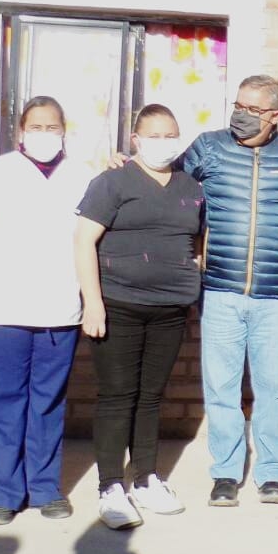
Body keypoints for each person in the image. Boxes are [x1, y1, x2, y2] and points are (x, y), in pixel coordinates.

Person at [74, 104, 205, 530]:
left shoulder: (190, 187)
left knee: (151, 396)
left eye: (171, 135)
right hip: (118, 305)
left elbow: (196, 241)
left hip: (170, 309)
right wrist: (93, 303)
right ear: (135, 140)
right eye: (154, 135)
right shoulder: (112, 181)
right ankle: (111, 487)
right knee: (118, 396)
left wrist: (191, 277)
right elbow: (83, 242)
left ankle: (146, 478)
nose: (163, 143)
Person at [186, 75, 278, 507]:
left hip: (276, 294)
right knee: (221, 386)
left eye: (253, 110)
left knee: (273, 388)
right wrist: (124, 167)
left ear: (275, 115)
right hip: (220, 290)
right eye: (238, 106)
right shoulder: (208, 147)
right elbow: (166, 186)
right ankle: (225, 472)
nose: (241, 115)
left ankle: (271, 473)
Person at [0, 96, 95, 526]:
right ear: (20, 131)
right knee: (5, 402)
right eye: (36, 127)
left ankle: (45, 488)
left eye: (52, 127)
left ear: (64, 132)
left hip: (60, 308)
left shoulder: (83, 177)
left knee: (47, 403)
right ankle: (3, 493)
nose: (44, 134)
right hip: (4, 307)